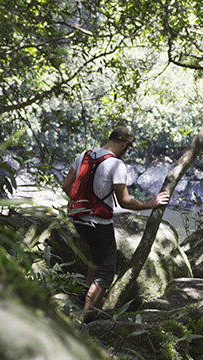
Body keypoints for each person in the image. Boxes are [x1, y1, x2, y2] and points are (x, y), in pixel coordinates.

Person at [62, 126, 169, 310]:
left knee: (96, 258)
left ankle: (84, 296)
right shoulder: (116, 165)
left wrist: (82, 204)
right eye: (129, 146)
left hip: (79, 219)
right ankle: (86, 315)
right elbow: (125, 201)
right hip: (99, 224)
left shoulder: (85, 155)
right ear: (125, 144)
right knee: (105, 272)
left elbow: (66, 185)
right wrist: (150, 204)